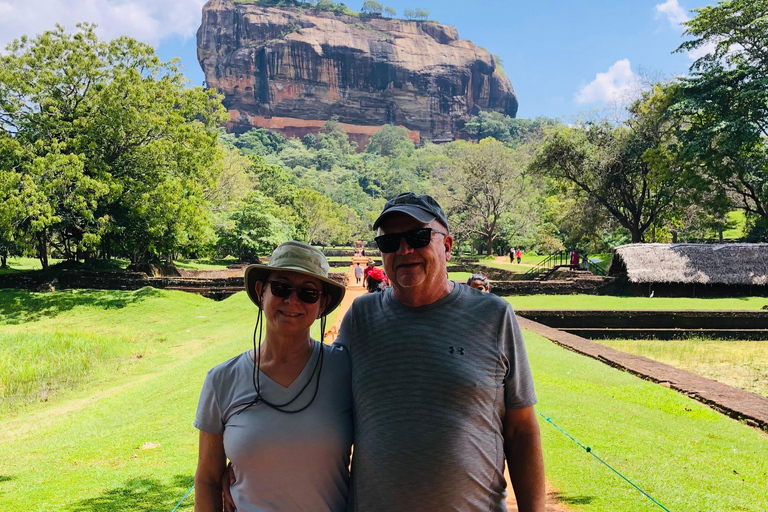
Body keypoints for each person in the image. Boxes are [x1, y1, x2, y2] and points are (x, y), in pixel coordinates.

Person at [336, 192, 545, 512]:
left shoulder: (493, 316)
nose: (404, 250)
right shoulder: (360, 318)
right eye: (390, 242)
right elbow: (324, 415)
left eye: (418, 237)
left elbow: (521, 429)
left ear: (446, 246)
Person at [194, 241, 352, 512]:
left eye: (308, 293)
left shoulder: (346, 370)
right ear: (261, 291)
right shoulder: (223, 380)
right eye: (281, 288)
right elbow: (208, 478)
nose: (293, 301)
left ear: (322, 304)